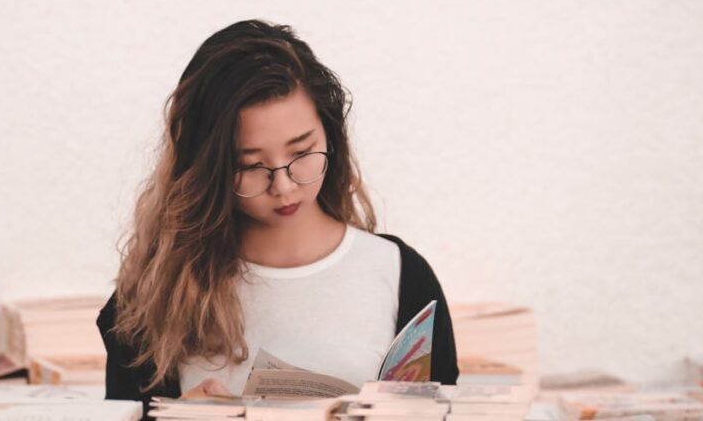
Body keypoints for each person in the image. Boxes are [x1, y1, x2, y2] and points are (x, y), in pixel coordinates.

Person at [97, 20, 458, 416]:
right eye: (250, 165)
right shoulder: (154, 295)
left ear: (330, 135)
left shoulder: (401, 274)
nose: (284, 187)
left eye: (302, 153)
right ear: (208, 168)